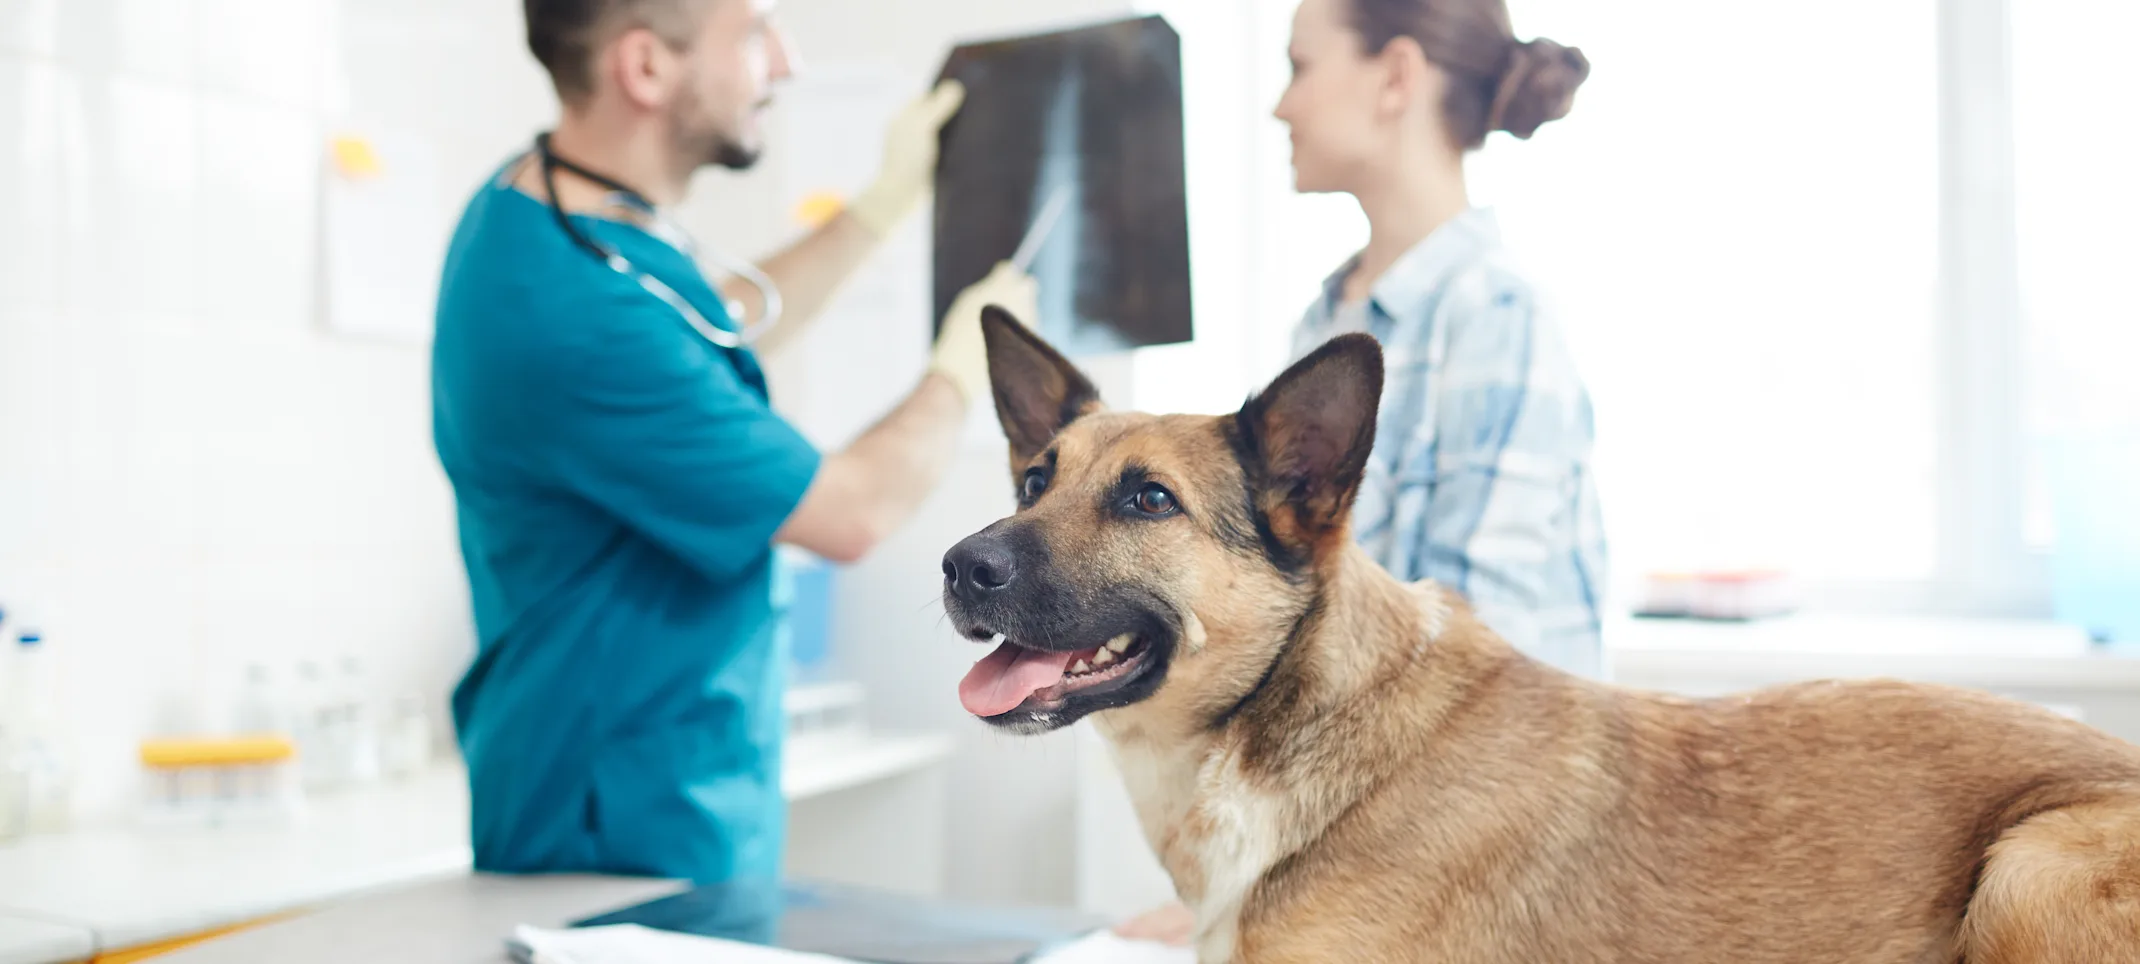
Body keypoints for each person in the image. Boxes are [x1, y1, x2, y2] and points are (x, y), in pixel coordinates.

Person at [430, 0, 1036, 883]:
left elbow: (707, 331)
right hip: (613, 831)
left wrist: (877, 208)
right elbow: (852, 513)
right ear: (645, 69)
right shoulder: (573, 313)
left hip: (654, 789)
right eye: (754, 34)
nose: (785, 62)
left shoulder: (541, 214)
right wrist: (965, 368)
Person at [1275, 0, 1607, 677]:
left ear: (1396, 76)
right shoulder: (1323, 321)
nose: (1282, 106)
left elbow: (1477, 654)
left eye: (1300, 67)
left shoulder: (1498, 316)